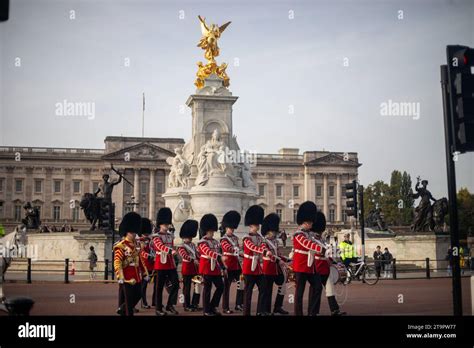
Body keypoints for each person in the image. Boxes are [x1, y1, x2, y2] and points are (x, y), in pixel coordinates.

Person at [113, 212, 149, 316]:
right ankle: (125, 309)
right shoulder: (121, 246)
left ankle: (121, 308)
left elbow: (140, 261)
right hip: (127, 278)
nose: (134, 234)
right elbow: (117, 262)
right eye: (132, 232)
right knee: (129, 305)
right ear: (126, 232)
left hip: (137, 277)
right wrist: (120, 276)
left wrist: (145, 273)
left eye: (135, 232)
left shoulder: (136, 245)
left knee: (139, 295)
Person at [310, 212, 345, 316]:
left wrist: (332, 260)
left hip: (325, 267)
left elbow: (326, 253)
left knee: (330, 289)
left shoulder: (320, 239)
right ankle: (314, 312)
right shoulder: (312, 239)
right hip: (317, 267)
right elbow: (318, 252)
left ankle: (335, 310)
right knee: (316, 291)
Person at [293, 201, 324, 316]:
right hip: (301, 266)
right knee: (299, 293)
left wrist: (325, 249)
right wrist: (320, 249)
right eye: (310, 222)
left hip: (310, 266)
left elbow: (316, 242)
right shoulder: (298, 234)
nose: (312, 225)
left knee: (317, 287)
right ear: (304, 222)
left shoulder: (310, 234)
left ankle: (312, 312)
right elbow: (307, 244)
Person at [242, 205, 271, 316]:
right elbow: (251, 247)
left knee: (263, 289)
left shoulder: (260, 237)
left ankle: (260, 311)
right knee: (248, 292)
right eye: (255, 225)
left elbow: (263, 246)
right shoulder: (246, 237)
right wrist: (264, 252)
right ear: (250, 225)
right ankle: (246, 313)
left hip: (258, 268)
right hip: (249, 267)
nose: (258, 226)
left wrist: (265, 250)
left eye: (258, 224)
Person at [152, 207, 180, 316]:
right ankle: (158, 308)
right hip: (161, 263)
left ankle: (170, 305)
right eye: (164, 224)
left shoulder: (170, 236)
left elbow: (171, 246)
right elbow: (159, 247)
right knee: (159, 288)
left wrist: (173, 252)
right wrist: (170, 251)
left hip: (170, 263)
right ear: (160, 224)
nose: (166, 225)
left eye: (167, 224)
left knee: (176, 284)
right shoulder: (156, 236)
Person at [198, 214, 227, 316]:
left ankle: (212, 306)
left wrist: (223, 267)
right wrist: (219, 257)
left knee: (220, 287)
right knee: (207, 289)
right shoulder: (202, 242)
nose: (212, 233)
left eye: (213, 231)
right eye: (211, 231)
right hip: (206, 268)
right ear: (206, 231)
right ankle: (206, 310)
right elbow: (208, 252)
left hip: (215, 268)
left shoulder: (216, 242)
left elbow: (219, 253)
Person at [261, 213, 290, 315]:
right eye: (272, 231)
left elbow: (278, 254)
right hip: (268, 268)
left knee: (282, 284)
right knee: (267, 291)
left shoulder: (275, 241)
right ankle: (265, 310)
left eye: (274, 231)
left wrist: (287, 259)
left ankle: (278, 306)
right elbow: (269, 254)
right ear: (268, 231)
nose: (274, 233)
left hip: (276, 269)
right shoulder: (263, 241)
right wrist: (278, 260)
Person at [219, 210, 244, 314]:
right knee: (226, 287)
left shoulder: (235, 238)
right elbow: (227, 248)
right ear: (226, 228)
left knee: (241, 284)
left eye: (233, 228)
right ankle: (225, 307)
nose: (232, 230)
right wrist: (236, 249)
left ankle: (239, 304)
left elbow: (238, 249)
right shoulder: (223, 239)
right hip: (228, 264)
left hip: (237, 264)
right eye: (230, 228)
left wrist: (244, 255)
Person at [177, 219, 201, 312]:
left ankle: (195, 303)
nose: (190, 238)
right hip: (187, 268)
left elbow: (197, 254)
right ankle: (186, 305)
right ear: (184, 237)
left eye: (190, 237)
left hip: (195, 269)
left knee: (197, 287)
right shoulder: (181, 246)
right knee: (186, 288)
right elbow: (184, 255)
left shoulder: (193, 245)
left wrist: (200, 259)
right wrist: (193, 260)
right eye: (188, 237)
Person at [137, 217, 155, 309]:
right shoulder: (140, 241)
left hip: (150, 265)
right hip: (143, 266)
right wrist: (148, 256)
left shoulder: (150, 240)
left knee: (145, 285)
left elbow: (153, 250)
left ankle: (147, 302)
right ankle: (143, 302)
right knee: (143, 286)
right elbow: (140, 252)